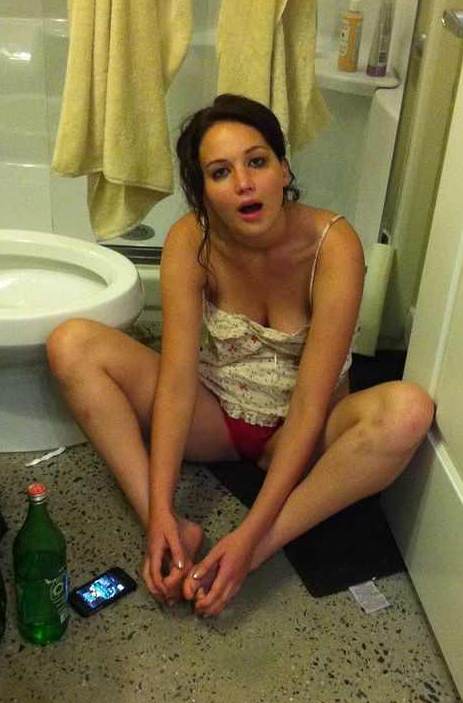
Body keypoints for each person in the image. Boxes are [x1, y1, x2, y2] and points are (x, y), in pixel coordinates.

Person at [47, 94, 434, 618]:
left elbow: (309, 405)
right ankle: (168, 530)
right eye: (220, 172)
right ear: (203, 192)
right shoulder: (192, 240)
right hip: (218, 417)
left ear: (284, 169)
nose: (245, 183)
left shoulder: (333, 244)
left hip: (308, 432)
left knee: (409, 410)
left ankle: (259, 548)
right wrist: (159, 510)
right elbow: (177, 384)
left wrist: (249, 539)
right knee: (71, 343)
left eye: (257, 161)